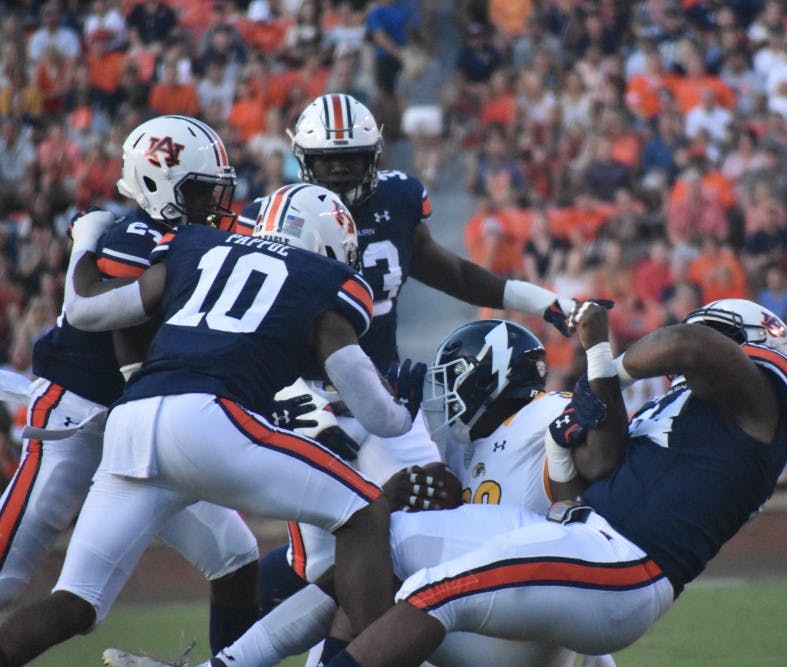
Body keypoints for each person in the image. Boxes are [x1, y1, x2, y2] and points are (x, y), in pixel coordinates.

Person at [0, 183, 419, 667]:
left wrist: (86, 241)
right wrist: (404, 404)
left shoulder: (195, 245)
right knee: (364, 510)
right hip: (208, 419)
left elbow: (89, 311)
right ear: (330, 246)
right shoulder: (323, 280)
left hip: (131, 422)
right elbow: (377, 416)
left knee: (76, 601)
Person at [233, 93, 601, 619]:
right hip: (304, 400)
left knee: (441, 507)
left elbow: (451, 272)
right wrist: (287, 402)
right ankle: (256, 651)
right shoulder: (272, 220)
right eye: (327, 162)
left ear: (376, 156)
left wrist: (547, 304)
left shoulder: (398, 201)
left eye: (351, 160)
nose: (338, 174)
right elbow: (253, 329)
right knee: (318, 565)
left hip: (385, 398)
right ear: (303, 160)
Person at [321, 297, 787, 666]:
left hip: (627, 562)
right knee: (378, 529)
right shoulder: (691, 421)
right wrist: (560, 449)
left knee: (438, 590)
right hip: (588, 542)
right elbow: (591, 483)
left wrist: (605, 364)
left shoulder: (764, 408)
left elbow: (684, 343)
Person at [110, 319, 616, 667]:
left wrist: (601, 369)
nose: (443, 396)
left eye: (452, 381)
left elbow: (595, 456)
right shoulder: (469, 448)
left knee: (376, 554)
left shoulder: (543, 415)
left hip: (519, 629)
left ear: (491, 377)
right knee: (370, 561)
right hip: (500, 617)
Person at [0, 116, 262, 654]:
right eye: (199, 191)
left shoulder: (191, 240)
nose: (213, 202)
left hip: (144, 428)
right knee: (5, 574)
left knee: (235, 556)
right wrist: (85, 245)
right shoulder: (135, 236)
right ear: (156, 185)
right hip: (77, 419)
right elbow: (94, 312)